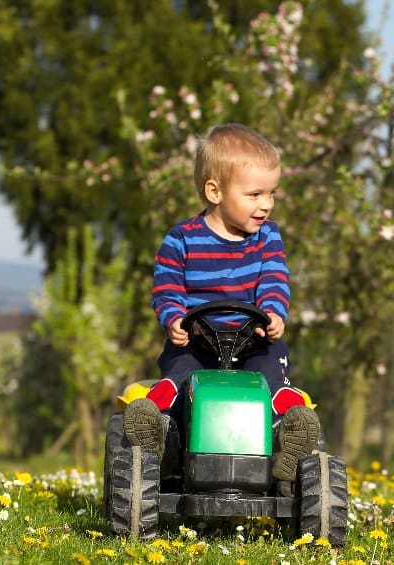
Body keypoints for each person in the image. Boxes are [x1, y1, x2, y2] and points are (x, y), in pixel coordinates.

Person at [123, 123, 319, 481]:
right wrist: (174, 319)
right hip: (197, 342)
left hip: (253, 341)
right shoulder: (181, 239)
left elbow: (275, 278)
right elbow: (166, 288)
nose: (267, 205)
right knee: (180, 377)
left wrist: (274, 312)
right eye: (255, 195)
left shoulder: (267, 238)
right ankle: (156, 433)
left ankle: (291, 435)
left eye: (272, 193)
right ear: (215, 191)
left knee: (270, 378)